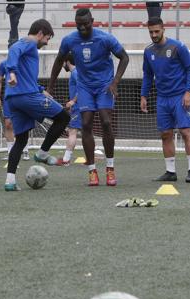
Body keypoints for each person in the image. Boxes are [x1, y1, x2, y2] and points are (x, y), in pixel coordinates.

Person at [48, 8, 130, 186]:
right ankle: (92, 170)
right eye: (79, 25)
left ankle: (110, 168)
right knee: (85, 124)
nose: (82, 27)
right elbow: (58, 60)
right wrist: (51, 87)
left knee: (106, 121)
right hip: (84, 86)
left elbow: (124, 57)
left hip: (104, 85)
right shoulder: (69, 40)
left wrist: (115, 82)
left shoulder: (105, 38)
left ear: (92, 21)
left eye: (85, 24)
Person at [3, 19, 72, 191]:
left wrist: (41, 89)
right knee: (64, 117)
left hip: (14, 99)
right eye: (47, 38)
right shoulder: (29, 42)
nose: (47, 43)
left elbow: (26, 76)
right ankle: (42, 154)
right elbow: (13, 50)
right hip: (26, 97)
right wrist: (11, 72)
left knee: (21, 140)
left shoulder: (27, 48)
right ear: (40, 33)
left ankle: (10, 181)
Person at [141, 17, 190, 183]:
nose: (154, 34)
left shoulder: (177, 46)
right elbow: (147, 75)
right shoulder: (148, 51)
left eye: (156, 31)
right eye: (151, 32)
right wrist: (144, 95)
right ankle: (170, 172)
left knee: (186, 131)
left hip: (180, 96)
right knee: (165, 134)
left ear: (163, 29)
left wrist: (189, 92)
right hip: (162, 98)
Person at [0, 59, 30, 161]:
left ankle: (25, 150)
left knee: (23, 123)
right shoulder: (4, 63)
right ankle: (11, 152)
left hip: (23, 96)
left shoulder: (25, 62)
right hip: (9, 97)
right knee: (8, 124)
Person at [57, 53, 81, 166]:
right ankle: (90, 159)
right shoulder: (77, 72)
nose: (62, 66)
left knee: (72, 132)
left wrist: (73, 101)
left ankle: (66, 160)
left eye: (63, 63)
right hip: (84, 106)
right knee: (86, 133)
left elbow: (81, 87)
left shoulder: (75, 73)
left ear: (67, 61)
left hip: (78, 107)